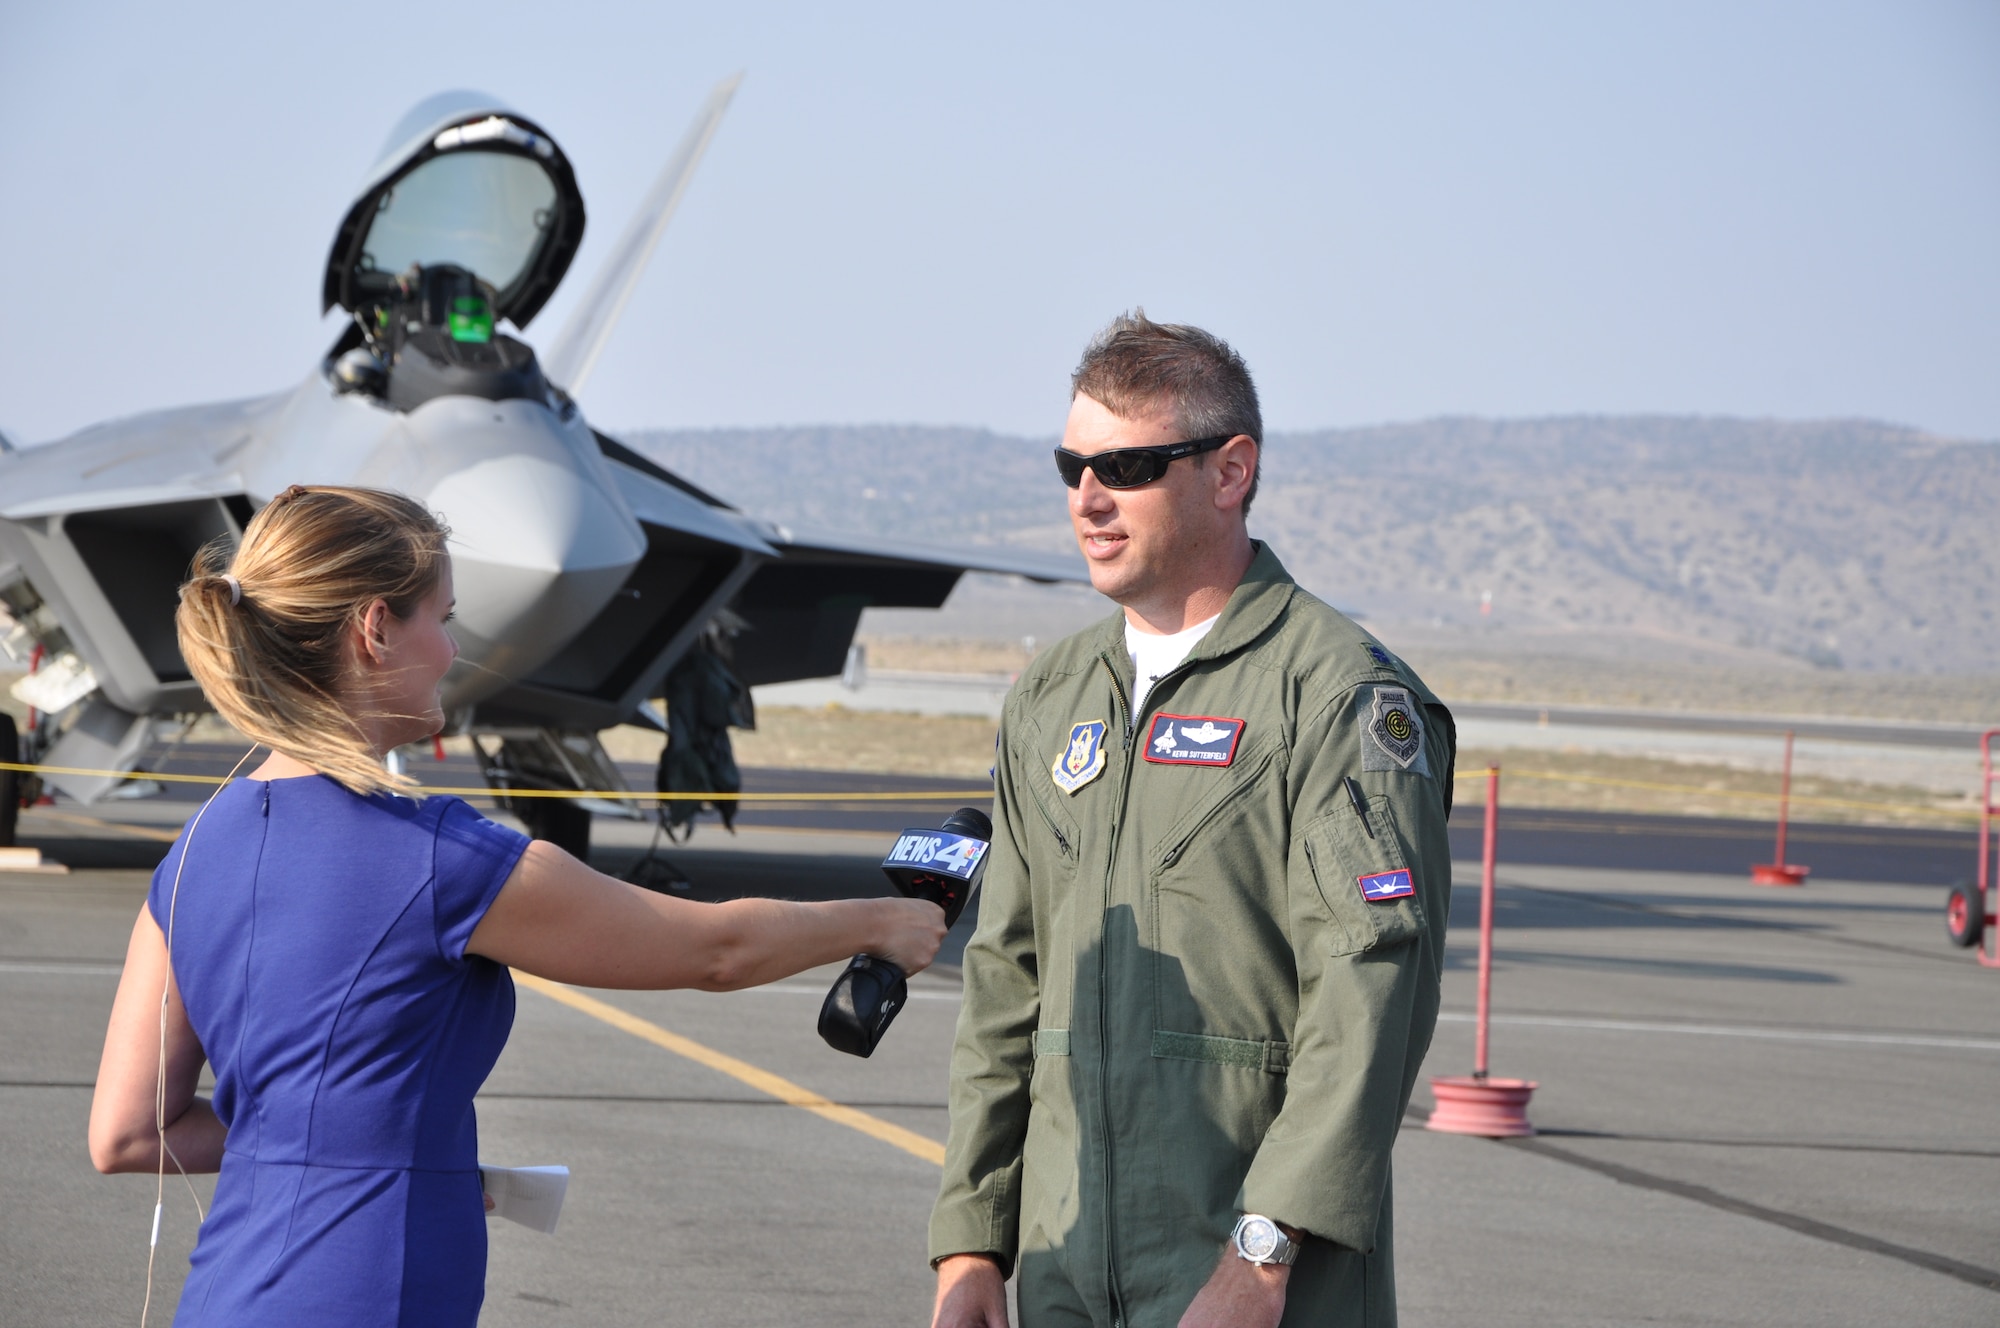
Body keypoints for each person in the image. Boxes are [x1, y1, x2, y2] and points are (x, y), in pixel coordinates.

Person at [87, 485, 945, 1327]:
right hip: (369, 1291)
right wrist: (878, 921)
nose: (452, 651)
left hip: (226, 1296)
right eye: (442, 617)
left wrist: (375, 1146)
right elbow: (713, 949)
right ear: (376, 629)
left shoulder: (193, 855)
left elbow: (125, 1135)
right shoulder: (439, 858)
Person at [928, 314, 1455, 1328]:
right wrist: (967, 1242)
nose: (1088, 497)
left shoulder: (1334, 693)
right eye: (1071, 464)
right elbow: (1004, 983)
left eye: (1125, 464)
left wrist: (1262, 1250)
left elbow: (1368, 994)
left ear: (1228, 472)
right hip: (1061, 1273)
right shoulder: (1052, 694)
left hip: (1249, 1280)